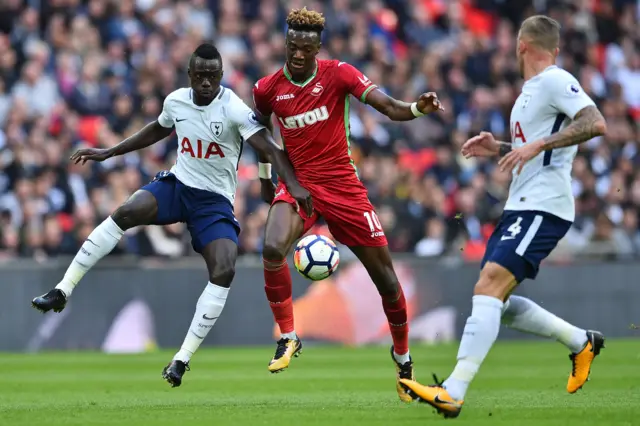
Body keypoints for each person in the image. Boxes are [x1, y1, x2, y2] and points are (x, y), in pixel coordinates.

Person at [31, 43, 310, 388]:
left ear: (221, 76)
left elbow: (270, 146)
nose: (206, 82)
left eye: (212, 76)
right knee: (126, 211)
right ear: (190, 75)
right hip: (179, 186)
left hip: (214, 202)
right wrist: (110, 152)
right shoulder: (176, 101)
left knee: (225, 268)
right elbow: (158, 128)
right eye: (200, 76)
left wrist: (291, 185)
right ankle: (62, 290)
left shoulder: (234, 109)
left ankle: (181, 359)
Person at [399, 15, 608, 418]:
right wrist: (499, 146)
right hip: (521, 203)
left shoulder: (553, 79)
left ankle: (453, 390)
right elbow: (533, 148)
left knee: (490, 285)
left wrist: (537, 144)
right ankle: (581, 341)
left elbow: (594, 122)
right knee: (494, 296)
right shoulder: (530, 91)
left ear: (520, 46)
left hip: (544, 206)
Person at [251, 7, 443, 402]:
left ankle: (403, 360)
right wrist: (267, 179)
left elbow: (388, 107)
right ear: (284, 44)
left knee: (387, 280)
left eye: (306, 48)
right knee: (271, 247)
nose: (298, 55)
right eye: (292, 47)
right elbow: (261, 132)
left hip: (342, 186)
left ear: (318, 47)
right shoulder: (267, 88)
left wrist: (416, 109)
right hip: (299, 186)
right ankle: (288, 337)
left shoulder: (338, 73)